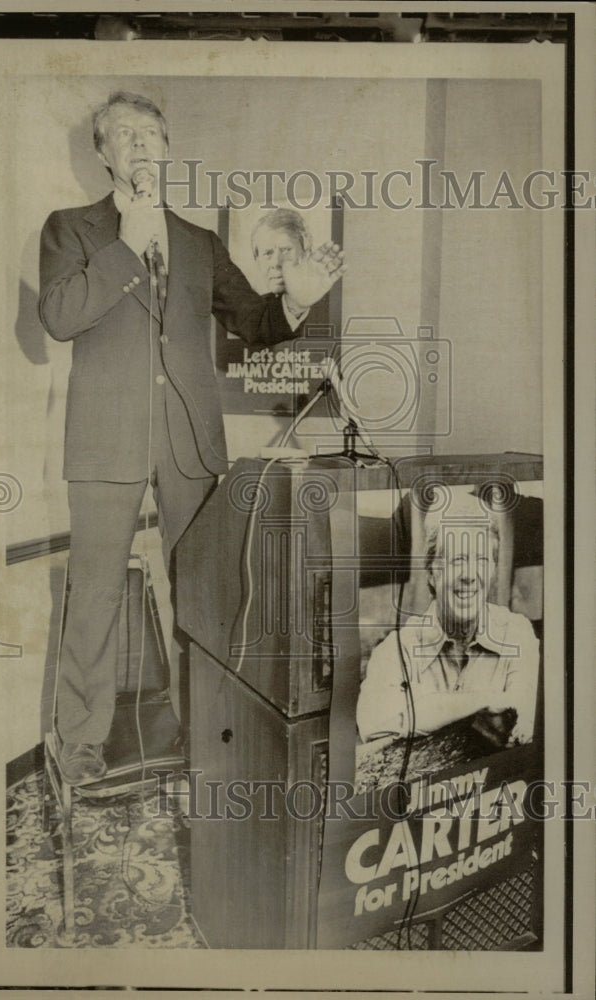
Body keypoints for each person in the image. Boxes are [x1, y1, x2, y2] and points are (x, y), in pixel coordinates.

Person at [39, 90, 345, 783]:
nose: (140, 142)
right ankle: (82, 742)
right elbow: (59, 316)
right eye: (124, 133)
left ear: (168, 148)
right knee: (93, 596)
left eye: (151, 132)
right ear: (103, 153)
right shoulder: (70, 229)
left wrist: (295, 297)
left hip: (190, 445)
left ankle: (202, 730)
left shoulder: (200, 243)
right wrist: (127, 244)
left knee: (201, 598)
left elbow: (258, 325)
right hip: (104, 441)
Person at [356, 506, 539, 746]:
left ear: (493, 571)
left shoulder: (516, 633)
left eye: (482, 560)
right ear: (432, 574)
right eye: (457, 560)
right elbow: (375, 724)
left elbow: (524, 715)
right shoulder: (395, 652)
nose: (470, 575)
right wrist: (483, 701)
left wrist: (432, 712)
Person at [251, 208, 310, 294]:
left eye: (286, 250)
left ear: (306, 254)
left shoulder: (332, 303)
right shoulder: (255, 306)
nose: (276, 263)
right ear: (258, 261)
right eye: (268, 253)